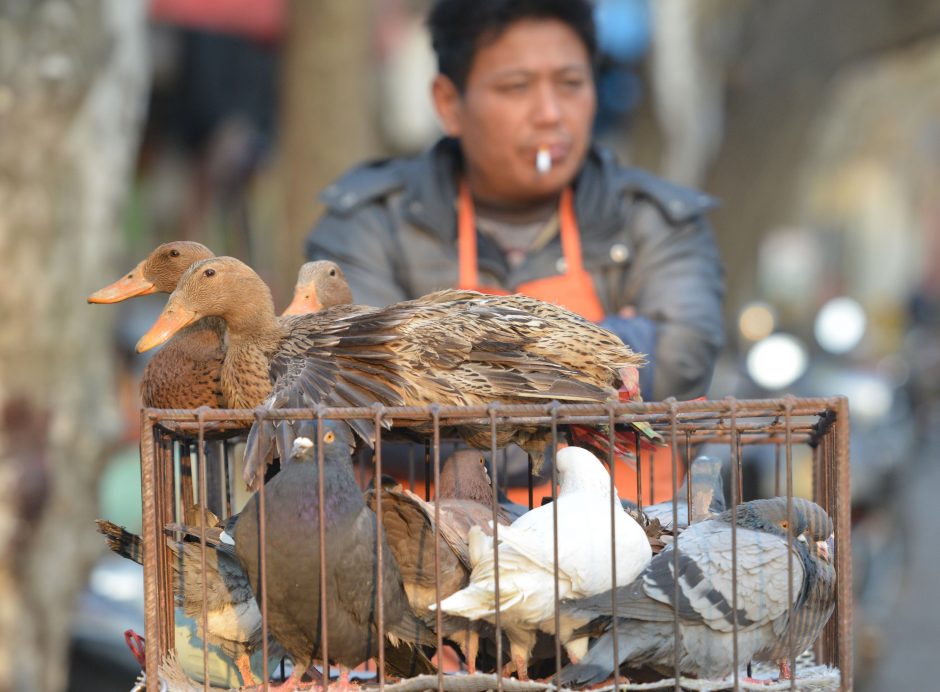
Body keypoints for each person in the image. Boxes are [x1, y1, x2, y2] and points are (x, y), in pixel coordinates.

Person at [305, 0, 724, 502]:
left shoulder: (657, 219)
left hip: (632, 547)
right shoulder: (367, 223)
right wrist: (613, 345)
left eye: (570, 83)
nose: (550, 114)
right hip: (423, 547)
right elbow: (364, 387)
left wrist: (451, 370)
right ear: (449, 104)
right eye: (516, 87)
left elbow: (678, 363)